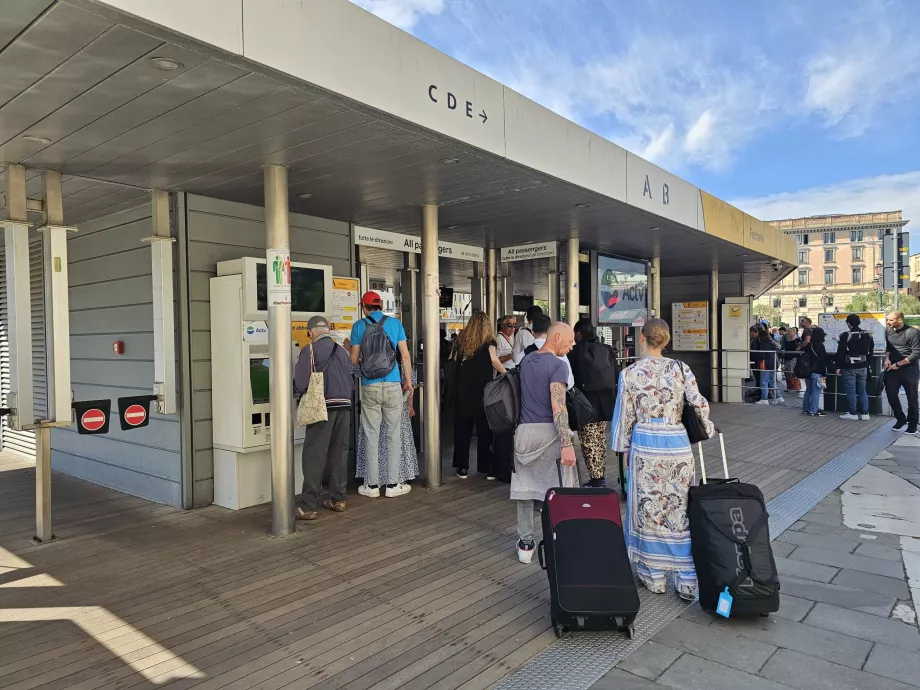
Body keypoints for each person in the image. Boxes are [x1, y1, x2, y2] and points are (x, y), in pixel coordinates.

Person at [612, 319, 714, 601]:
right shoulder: (681, 369)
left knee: (648, 507)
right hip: (677, 441)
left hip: (645, 442)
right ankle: (686, 578)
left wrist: (623, 450)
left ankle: (653, 574)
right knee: (679, 507)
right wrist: (708, 427)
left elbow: (625, 417)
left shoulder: (631, 373)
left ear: (642, 338)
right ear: (666, 340)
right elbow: (698, 403)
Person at [512, 322, 576, 564]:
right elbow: (558, 406)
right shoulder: (558, 366)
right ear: (556, 337)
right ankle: (557, 539)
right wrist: (566, 443)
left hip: (524, 433)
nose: (572, 346)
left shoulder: (526, 361)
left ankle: (525, 544)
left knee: (525, 490)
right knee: (560, 488)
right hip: (549, 433)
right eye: (569, 341)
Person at [349, 291, 414, 498]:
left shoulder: (359, 326)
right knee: (393, 435)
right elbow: (404, 354)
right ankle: (393, 485)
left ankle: (373, 486)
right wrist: (408, 381)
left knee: (371, 434)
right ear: (380, 305)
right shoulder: (395, 324)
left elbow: (353, 361)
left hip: (370, 385)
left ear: (363, 306)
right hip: (393, 383)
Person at [292, 315, 354, 520]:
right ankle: (339, 499)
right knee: (339, 453)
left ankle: (308, 506)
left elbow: (301, 383)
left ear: (310, 333)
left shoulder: (309, 350)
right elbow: (350, 379)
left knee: (314, 455)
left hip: (322, 407)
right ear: (327, 331)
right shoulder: (343, 352)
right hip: (344, 407)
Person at [452, 312, 507, 479]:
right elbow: (494, 360)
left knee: (463, 430)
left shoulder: (462, 341)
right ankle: (486, 467)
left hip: (463, 391)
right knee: (485, 431)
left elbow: (452, 360)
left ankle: (462, 467)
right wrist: (507, 374)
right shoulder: (489, 342)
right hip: (483, 392)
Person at [569, 319, 616, 486]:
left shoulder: (575, 352)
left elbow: (570, 379)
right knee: (599, 440)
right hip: (605, 403)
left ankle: (597, 479)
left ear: (579, 333)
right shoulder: (606, 349)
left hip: (585, 405)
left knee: (589, 442)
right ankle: (600, 475)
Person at [884, 311, 920, 433]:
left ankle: (913, 423)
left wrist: (899, 364)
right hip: (892, 368)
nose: (888, 322)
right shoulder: (888, 331)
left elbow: (916, 354)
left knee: (912, 397)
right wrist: (887, 359)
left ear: (900, 320)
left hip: (909, 369)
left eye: (891, 320)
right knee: (890, 393)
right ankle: (901, 418)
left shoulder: (913, 332)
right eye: (887, 320)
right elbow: (888, 347)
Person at [835, 314, 874, 421]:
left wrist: (838, 366)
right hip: (863, 366)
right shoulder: (867, 335)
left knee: (851, 390)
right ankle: (865, 413)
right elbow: (871, 351)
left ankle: (853, 413)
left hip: (849, 366)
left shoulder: (845, 335)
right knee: (862, 390)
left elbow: (841, 352)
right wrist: (867, 364)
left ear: (849, 323)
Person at [519, 314, 575, 388]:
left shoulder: (524, 355)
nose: (571, 348)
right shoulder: (560, 354)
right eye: (570, 342)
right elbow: (569, 383)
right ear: (550, 330)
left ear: (532, 332)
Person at [798, 317, 827, 417]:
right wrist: (824, 374)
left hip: (808, 371)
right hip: (818, 372)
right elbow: (823, 360)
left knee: (808, 391)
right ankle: (813, 410)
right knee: (816, 392)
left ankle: (805, 409)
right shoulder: (820, 346)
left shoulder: (809, 346)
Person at [753, 328, 783, 405]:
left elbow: (762, 355)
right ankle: (779, 397)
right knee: (772, 382)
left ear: (760, 337)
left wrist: (758, 358)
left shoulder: (763, 344)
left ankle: (764, 399)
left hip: (765, 365)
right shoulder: (772, 342)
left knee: (764, 382)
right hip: (774, 364)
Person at [782, 327, 802, 392]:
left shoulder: (797, 340)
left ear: (795, 332)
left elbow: (799, 347)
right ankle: (789, 386)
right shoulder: (787, 339)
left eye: (791, 331)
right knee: (787, 372)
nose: (790, 333)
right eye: (789, 332)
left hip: (794, 358)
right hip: (787, 357)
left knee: (793, 371)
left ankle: (797, 387)